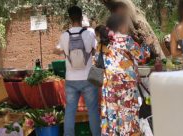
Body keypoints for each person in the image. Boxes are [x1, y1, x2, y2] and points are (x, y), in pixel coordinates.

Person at [57, 6, 100, 136]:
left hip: (70, 79)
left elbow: (62, 52)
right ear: (81, 18)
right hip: (88, 78)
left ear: (70, 19)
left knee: (70, 111)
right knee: (92, 111)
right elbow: (95, 50)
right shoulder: (90, 33)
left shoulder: (64, 36)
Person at [99, 14, 142, 136]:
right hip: (126, 86)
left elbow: (96, 60)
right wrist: (147, 45)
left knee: (113, 118)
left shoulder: (103, 42)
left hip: (109, 86)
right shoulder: (127, 40)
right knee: (127, 117)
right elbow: (142, 56)